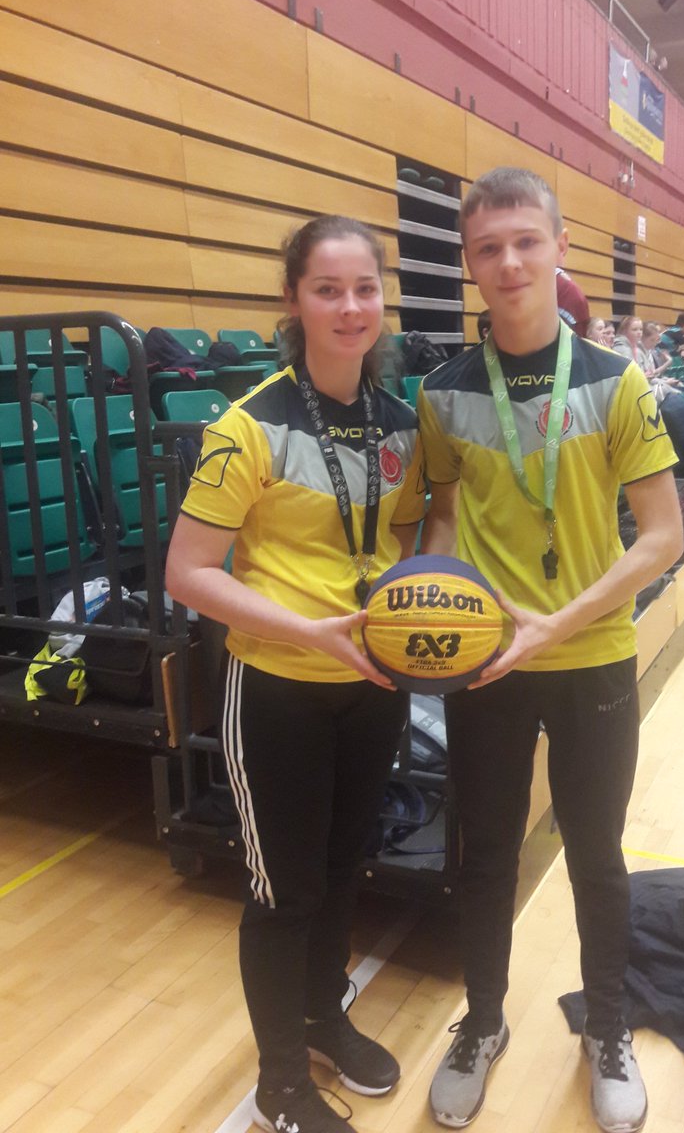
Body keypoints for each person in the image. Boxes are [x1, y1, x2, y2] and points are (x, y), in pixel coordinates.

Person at [417, 167, 683, 1133]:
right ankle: (483, 1022)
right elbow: (445, 518)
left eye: (526, 239)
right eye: (488, 247)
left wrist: (555, 624)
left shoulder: (619, 383)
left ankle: (606, 1027)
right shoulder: (442, 392)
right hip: (486, 663)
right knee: (483, 853)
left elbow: (663, 536)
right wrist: (428, 614)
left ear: (560, 246)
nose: (509, 261)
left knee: (596, 855)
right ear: (470, 266)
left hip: (592, 655)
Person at [165, 216, 426, 1133]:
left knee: (346, 866)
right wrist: (310, 631)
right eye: (328, 289)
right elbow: (188, 572)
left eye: (365, 289)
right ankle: (281, 1082)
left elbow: (404, 536)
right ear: (293, 301)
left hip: (371, 685)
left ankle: (323, 1020)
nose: (350, 308)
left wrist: (415, 605)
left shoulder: (404, 425)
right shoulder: (248, 427)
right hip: (277, 687)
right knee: (285, 891)